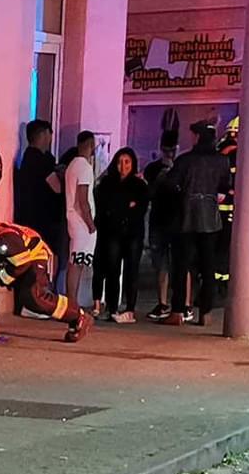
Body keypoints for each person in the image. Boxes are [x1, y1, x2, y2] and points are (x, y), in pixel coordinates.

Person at [0, 213, 91, 343]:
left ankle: (77, 316)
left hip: (33, 258)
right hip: (13, 265)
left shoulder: (4, 238)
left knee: (34, 297)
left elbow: (21, 264)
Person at [163, 120, 233, 325]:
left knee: (182, 264)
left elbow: (170, 184)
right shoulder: (222, 161)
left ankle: (177, 311)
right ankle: (206, 312)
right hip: (211, 218)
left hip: (186, 217)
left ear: (197, 137)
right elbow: (225, 187)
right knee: (208, 265)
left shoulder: (185, 160)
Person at [92, 148, 149, 322]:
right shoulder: (107, 183)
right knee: (112, 270)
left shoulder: (139, 185)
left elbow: (140, 208)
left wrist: (122, 207)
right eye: (119, 162)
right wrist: (125, 205)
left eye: (127, 162)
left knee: (131, 271)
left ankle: (130, 308)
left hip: (133, 234)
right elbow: (104, 207)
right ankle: (112, 307)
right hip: (112, 233)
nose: (123, 167)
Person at [14, 119, 65, 270]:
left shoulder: (27, 157)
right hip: (44, 220)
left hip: (28, 218)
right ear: (43, 134)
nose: (50, 139)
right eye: (50, 134)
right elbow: (57, 188)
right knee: (47, 256)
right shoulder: (41, 160)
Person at [142, 130, 180, 321]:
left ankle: (183, 304)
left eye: (172, 150)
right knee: (161, 263)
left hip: (178, 220)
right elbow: (148, 194)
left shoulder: (182, 166)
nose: (169, 154)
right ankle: (163, 302)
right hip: (159, 219)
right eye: (166, 150)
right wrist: (160, 178)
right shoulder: (153, 169)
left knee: (181, 263)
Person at [63, 131, 98, 313]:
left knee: (75, 261)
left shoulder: (72, 165)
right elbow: (82, 199)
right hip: (81, 223)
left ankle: (73, 301)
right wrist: (90, 223)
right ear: (91, 144)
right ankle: (72, 303)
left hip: (73, 220)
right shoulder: (84, 167)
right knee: (77, 263)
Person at [213, 115, 240, 290]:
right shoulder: (232, 154)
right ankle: (220, 284)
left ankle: (218, 283)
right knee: (224, 249)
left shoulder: (219, 152)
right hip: (227, 210)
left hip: (221, 210)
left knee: (222, 249)